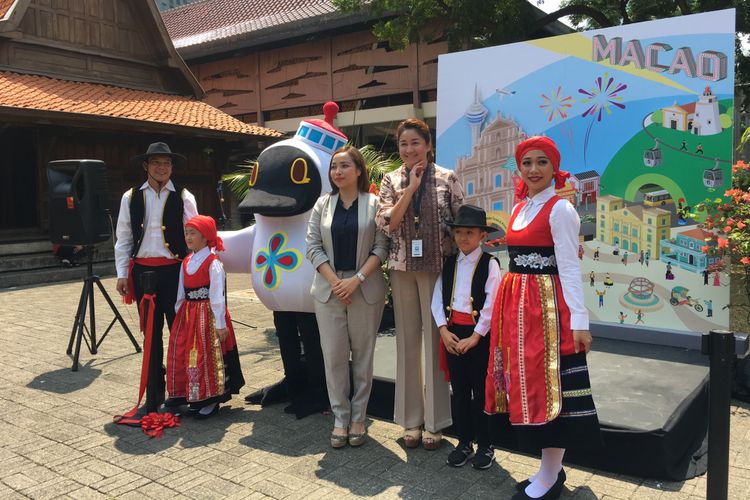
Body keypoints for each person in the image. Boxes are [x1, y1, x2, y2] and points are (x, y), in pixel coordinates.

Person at [485, 136, 601, 500]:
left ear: (554, 168)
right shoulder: (520, 208)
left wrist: (579, 322)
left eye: (541, 163)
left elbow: (568, 266)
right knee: (529, 388)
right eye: (527, 163)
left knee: (552, 390)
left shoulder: (560, 209)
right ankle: (548, 470)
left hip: (546, 310)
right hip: (517, 310)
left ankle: (550, 477)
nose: (533, 170)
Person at [376, 118, 464, 450]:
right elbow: (388, 223)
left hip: (438, 268)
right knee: (407, 344)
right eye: (403, 144)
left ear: (428, 145)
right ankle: (410, 420)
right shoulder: (390, 180)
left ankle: (436, 421)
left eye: (415, 143)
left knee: (434, 342)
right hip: (401, 268)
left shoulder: (447, 178)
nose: (409, 149)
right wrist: (410, 188)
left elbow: (461, 224)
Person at [306, 146, 389, 448]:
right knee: (335, 357)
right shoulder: (322, 205)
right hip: (329, 290)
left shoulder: (375, 203)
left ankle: (359, 417)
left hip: (364, 287)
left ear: (358, 170)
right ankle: (341, 417)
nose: (338, 172)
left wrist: (357, 279)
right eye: (334, 167)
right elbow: (312, 246)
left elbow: (382, 246)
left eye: (344, 166)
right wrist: (335, 281)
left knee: (363, 358)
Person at [114, 142, 198, 411]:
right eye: (156, 163)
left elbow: (195, 238)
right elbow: (123, 238)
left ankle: (180, 391)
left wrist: (198, 272)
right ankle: (153, 392)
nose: (162, 168)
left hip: (175, 272)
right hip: (142, 274)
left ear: (172, 167)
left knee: (179, 332)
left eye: (167, 163)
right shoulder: (130, 197)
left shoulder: (184, 196)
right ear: (146, 166)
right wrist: (121, 274)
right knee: (150, 334)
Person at [431, 205, 501, 469]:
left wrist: (475, 337)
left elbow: (492, 305)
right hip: (452, 334)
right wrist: (442, 330)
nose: (462, 238)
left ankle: (486, 445)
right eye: (458, 232)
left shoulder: (490, 264)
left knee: (481, 394)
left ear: (482, 235)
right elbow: (437, 298)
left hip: (478, 337)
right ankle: (464, 442)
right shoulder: (449, 263)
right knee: (459, 392)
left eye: (469, 232)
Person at [166, 215, 245, 418]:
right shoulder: (186, 261)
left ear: (205, 236)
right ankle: (190, 394)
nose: (188, 237)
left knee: (206, 356)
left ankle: (210, 398)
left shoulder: (213, 262)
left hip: (207, 315)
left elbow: (217, 296)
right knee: (187, 354)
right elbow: (180, 292)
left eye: (193, 233)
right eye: (186, 233)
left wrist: (220, 323)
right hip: (189, 314)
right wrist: (179, 315)